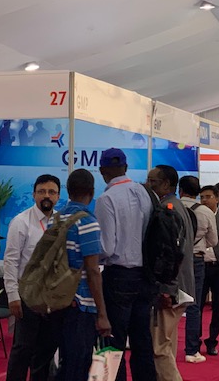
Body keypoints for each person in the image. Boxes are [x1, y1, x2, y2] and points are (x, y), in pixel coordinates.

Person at [94, 148, 156, 381]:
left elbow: (107, 247)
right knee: (142, 341)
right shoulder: (145, 193)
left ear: (102, 171)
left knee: (111, 341)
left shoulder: (106, 199)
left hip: (118, 276)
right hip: (145, 276)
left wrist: (89, 259)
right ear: (126, 168)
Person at [4, 174, 63, 381]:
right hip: (27, 297)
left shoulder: (61, 222)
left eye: (51, 192)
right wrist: (13, 296)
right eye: (42, 191)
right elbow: (11, 261)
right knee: (23, 350)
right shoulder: (21, 222)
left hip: (53, 299)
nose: (47, 196)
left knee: (46, 351)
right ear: (34, 195)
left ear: (58, 196)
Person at [55, 169, 110, 381]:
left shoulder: (56, 219)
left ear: (68, 191)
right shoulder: (87, 222)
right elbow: (93, 270)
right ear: (92, 192)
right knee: (79, 363)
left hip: (60, 299)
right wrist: (102, 314)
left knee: (66, 362)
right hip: (81, 302)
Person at [146, 165, 195, 381]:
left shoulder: (167, 210)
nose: (148, 185)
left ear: (166, 184)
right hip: (180, 286)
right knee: (167, 345)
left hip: (171, 288)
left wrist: (166, 289)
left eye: (153, 181)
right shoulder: (177, 207)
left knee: (159, 348)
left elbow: (169, 253)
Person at [179, 176, 218, 363]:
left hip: (173, 259)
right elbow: (213, 241)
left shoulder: (172, 206)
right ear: (197, 192)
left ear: (180, 190)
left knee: (166, 304)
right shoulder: (205, 212)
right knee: (194, 305)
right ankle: (192, 349)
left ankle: (162, 346)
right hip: (196, 259)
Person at [200, 184, 219, 356]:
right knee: (196, 306)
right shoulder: (196, 214)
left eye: (208, 197)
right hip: (200, 265)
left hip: (218, 267)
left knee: (218, 307)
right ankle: (194, 341)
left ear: (217, 198)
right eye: (202, 197)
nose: (205, 200)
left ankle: (212, 341)